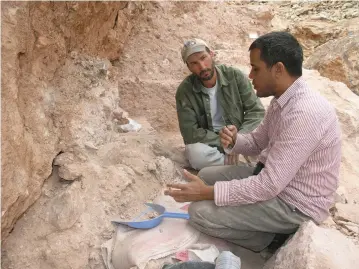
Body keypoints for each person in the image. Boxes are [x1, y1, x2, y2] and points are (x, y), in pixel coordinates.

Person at [165, 32, 342, 253]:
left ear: (278, 69)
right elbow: (258, 141)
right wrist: (234, 140)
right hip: (274, 182)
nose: (250, 75)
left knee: (199, 212)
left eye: (256, 68)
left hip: (294, 204)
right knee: (207, 175)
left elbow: (268, 186)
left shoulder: (304, 112)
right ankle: (255, 223)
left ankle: (271, 240)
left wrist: (207, 193)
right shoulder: (282, 101)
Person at [176, 38, 265, 170]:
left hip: (239, 136)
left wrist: (238, 139)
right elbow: (190, 133)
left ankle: (232, 164)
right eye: (194, 63)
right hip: (212, 143)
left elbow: (256, 112)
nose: (202, 66)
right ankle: (240, 165)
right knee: (194, 153)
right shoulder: (185, 91)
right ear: (188, 67)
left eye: (203, 57)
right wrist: (225, 142)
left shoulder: (234, 76)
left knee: (268, 141)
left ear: (211, 54)